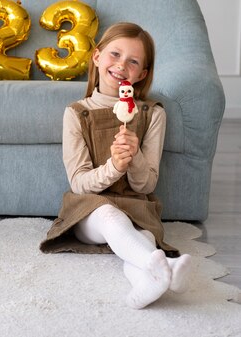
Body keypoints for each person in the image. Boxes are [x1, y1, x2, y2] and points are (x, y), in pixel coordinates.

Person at [39, 22, 192, 309]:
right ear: (97, 57)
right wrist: (114, 166)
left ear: (142, 74)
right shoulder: (77, 114)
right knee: (109, 215)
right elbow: (79, 183)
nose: (122, 65)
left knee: (142, 240)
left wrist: (134, 159)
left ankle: (151, 282)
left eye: (133, 61)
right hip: (90, 209)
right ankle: (169, 272)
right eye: (115, 54)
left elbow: (146, 185)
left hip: (136, 205)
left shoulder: (153, 115)